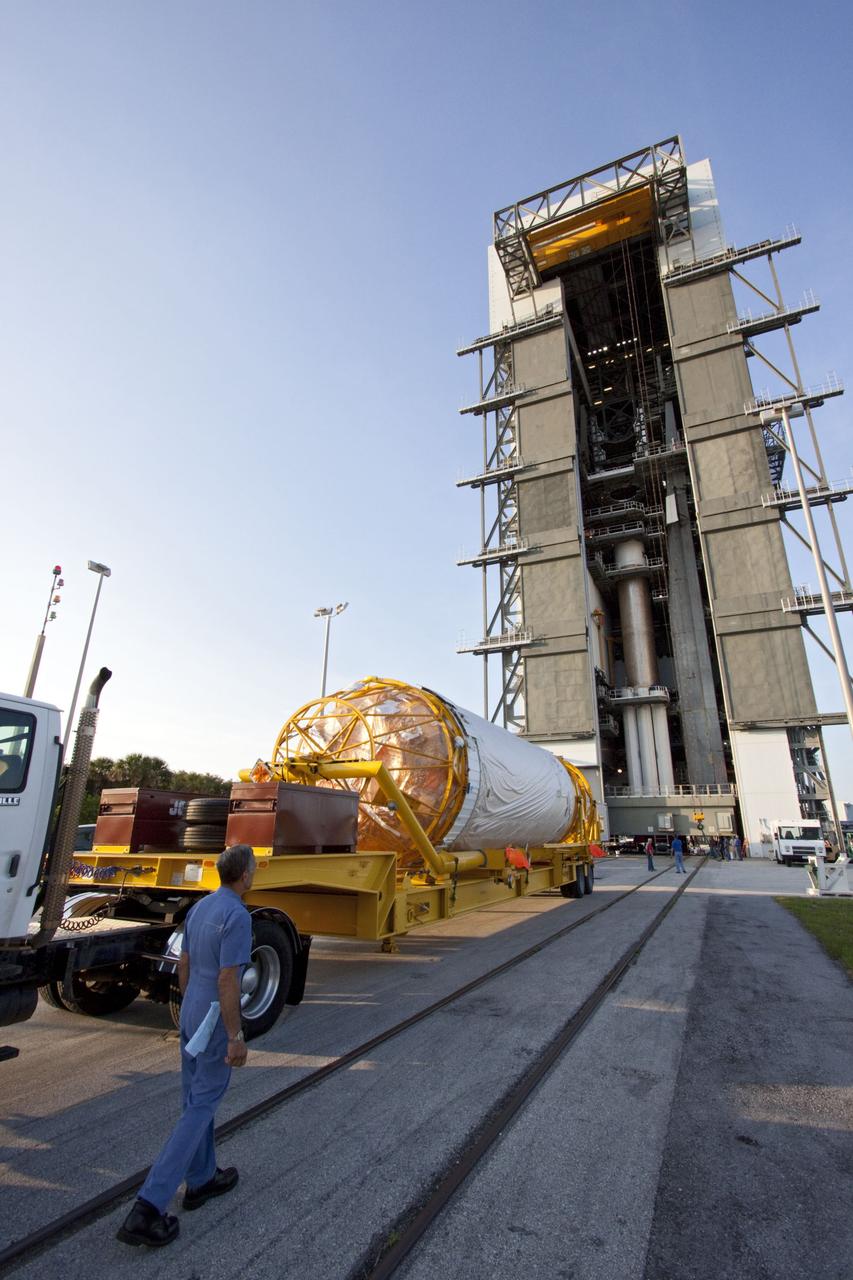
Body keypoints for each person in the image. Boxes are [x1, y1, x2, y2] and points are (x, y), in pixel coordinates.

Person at [117, 844, 256, 1248]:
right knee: (200, 1106)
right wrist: (234, 1036)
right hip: (214, 1015)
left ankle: (201, 1179)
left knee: (194, 1098)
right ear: (244, 876)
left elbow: (184, 965)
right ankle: (149, 1206)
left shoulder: (200, 909)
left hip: (193, 1006)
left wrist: (190, 1005)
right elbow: (229, 980)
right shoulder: (237, 916)